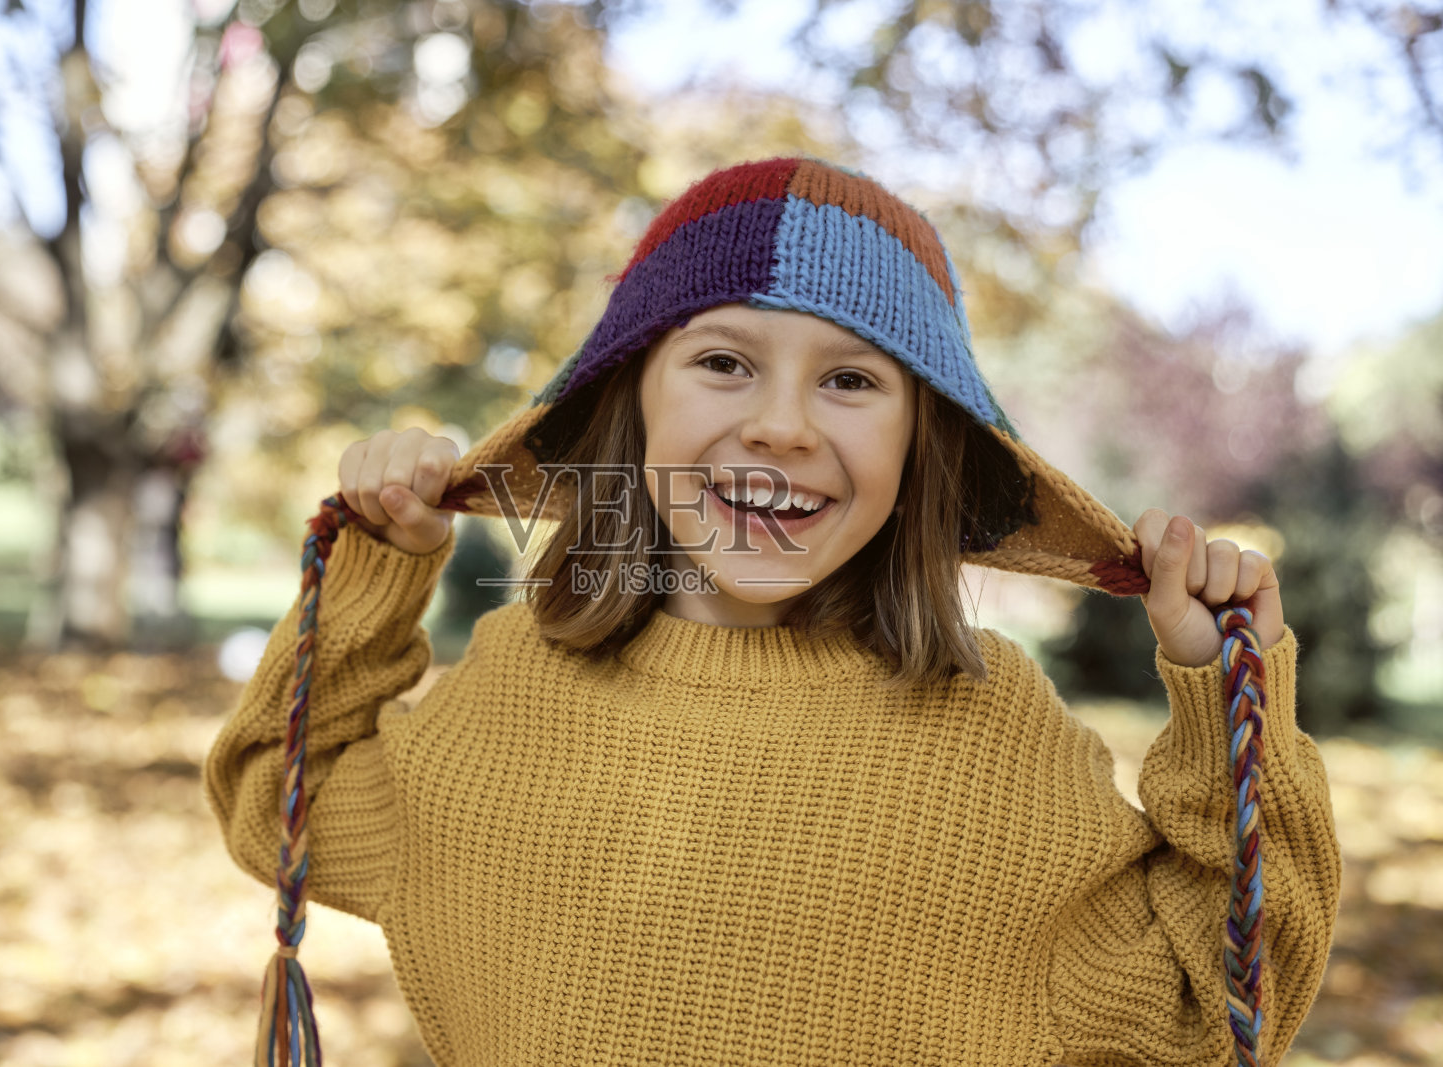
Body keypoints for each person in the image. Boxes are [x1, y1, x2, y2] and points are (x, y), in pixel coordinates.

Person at [204, 156, 1341, 1067]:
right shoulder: (507, 697)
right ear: (630, 402)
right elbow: (281, 801)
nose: (783, 427)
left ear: (920, 444)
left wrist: (1221, 695)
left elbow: (1216, 1007)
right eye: (723, 362)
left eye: (851, 380)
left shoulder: (996, 742)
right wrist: (382, 562)